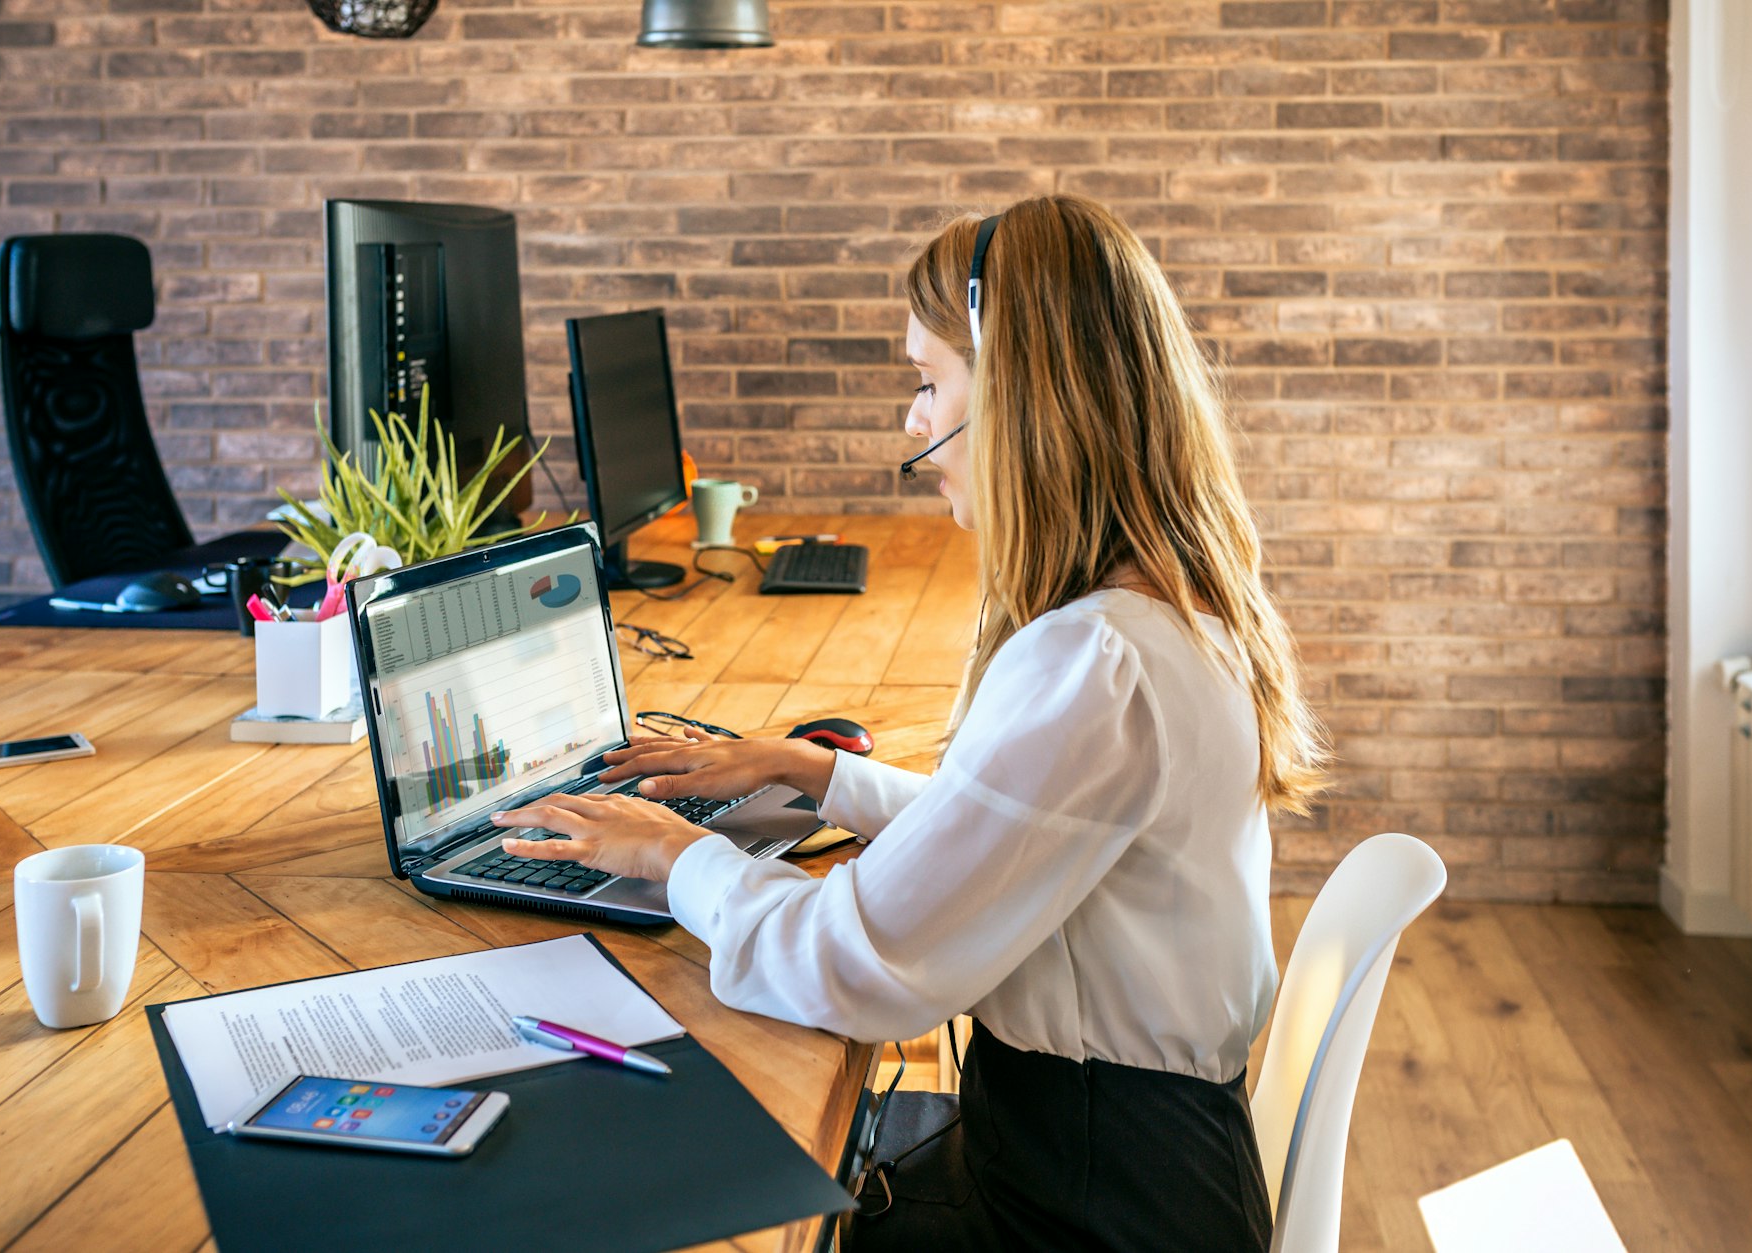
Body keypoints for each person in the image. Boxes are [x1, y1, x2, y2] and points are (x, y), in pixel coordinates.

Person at [491, 193, 1328, 1252]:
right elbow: (1017, 828)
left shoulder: (1096, 663)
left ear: (1020, 400)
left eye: (930, 382)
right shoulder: (1153, 618)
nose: (912, 420)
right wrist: (816, 773)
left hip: (1087, 1211)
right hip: (1118, 1165)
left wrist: (680, 856)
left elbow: (853, 965)